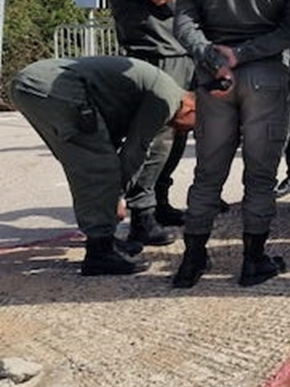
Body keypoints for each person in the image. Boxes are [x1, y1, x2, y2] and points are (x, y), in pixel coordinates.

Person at [171, 0, 290, 289]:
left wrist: (213, 56)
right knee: (260, 175)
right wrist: (243, 54)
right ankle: (253, 260)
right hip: (265, 76)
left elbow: (184, 26)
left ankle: (192, 260)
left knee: (207, 172)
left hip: (214, 79)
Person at [10, 57, 196, 276]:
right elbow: (135, 149)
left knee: (96, 159)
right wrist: (116, 196)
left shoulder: (164, 90)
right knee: (98, 167)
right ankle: (99, 253)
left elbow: (112, 136)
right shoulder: (167, 100)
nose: (184, 132)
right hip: (53, 88)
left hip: (38, 83)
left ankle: (105, 240)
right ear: (191, 109)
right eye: (192, 127)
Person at [100, 0, 192, 240]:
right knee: (156, 137)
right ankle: (142, 213)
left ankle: (160, 200)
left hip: (177, 52)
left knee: (179, 131)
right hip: (154, 54)